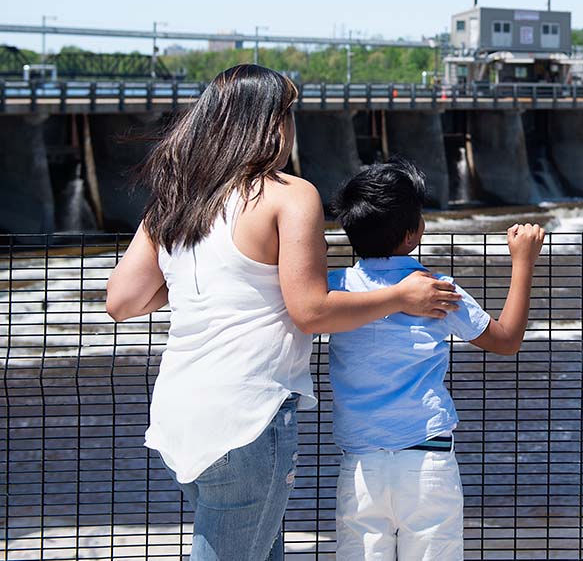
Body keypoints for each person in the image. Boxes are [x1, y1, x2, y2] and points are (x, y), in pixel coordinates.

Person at [105, 65, 463, 561]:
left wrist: (208, 273)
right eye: (288, 112)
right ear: (270, 123)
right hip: (247, 414)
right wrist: (401, 298)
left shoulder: (176, 196)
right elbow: (312, 311)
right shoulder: (290, 195)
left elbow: (121, 301)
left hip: (177, 412)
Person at [326, 158, 544, 561]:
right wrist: (523, 262)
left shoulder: (333, 292)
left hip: (359, 461)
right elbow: (507, 340)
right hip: (426, 455)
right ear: (413, 233)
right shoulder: (437, 290)